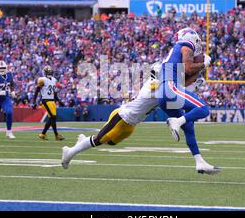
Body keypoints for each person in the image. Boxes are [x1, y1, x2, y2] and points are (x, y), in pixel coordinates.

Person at [61, 63, 207, 170]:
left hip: (131, 124)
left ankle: (83, 141)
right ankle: (70, 152)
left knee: (110, 143)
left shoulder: (161, 86)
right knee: (99, 140)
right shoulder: (155, 85)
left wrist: (191, 83)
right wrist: (193, 83)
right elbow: (175, 92)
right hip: (122, 117)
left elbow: (176, 91)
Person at [157, 27, 220, 175]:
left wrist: (200, 69)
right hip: (170, 88)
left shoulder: (176, 52)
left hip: (164, 93)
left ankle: (199, 162)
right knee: (203, 109)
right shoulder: (186, 45)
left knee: (189, 125)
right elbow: (188, 67)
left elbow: (185, 79)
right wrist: (203, 64)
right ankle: (176, 122)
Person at [31, 65, 64, 141]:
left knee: (51, 118)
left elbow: (54, 93)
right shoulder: (42, 80)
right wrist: (34, 102)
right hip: (46, 100)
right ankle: (56, 135)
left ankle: (43, 134)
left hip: (52, 101)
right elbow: (37, 90)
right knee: (53, 117)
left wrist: (58, 101)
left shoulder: (54, 80)